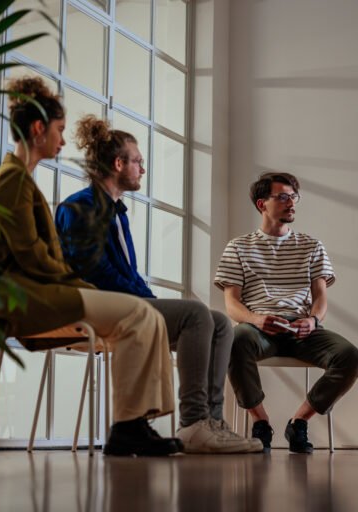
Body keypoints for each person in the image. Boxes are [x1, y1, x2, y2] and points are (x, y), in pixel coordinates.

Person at [0, 77, 181, 457]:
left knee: (143, 314)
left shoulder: (21, 179)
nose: (62, 140)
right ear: (38, 129)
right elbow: (30, 256)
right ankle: (128, 426)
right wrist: (79, 287)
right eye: (58, 130)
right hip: (26, 299)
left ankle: (135, 423)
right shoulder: (11, 180)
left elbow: (38, 255)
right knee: (140, 314)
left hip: (42, 292)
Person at [55, 115, 261, 454]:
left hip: (125, 303)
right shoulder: (80, 207)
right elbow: (94, 271)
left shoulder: (116, 212)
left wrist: (144, 297)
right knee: (195, 313)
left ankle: (210, 421)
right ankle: (193, 422)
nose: (142, 170)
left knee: (221, 322)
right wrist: (142, 298)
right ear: (118, 163)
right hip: (95, 308)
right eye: (137, 161)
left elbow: (125, 273)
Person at [215, 172, 358, 453]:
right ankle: (260, 422)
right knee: (235, 340)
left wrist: (313, 319)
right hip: (259, 328)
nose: (291, 203)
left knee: (350, 356)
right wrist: (257, 319)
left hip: (303, 330)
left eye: (294, 197)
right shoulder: (238, 247)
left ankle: (298, 422)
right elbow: (232, 304)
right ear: (262, 204)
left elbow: (321, 297)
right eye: (282, 197)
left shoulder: (311, 245)